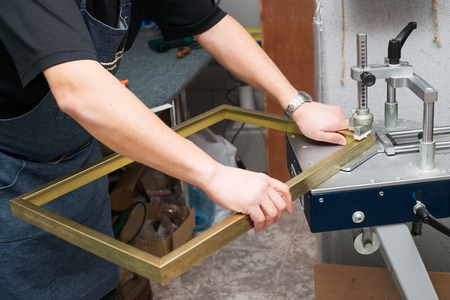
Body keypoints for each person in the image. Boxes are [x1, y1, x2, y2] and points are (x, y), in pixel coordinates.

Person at [0, 0, 348, 299]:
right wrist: (214, 174)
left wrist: (296, 104)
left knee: (97, 285)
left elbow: (212, 24)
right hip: (9, 169)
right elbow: (78, 91)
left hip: (76, 159)